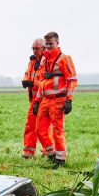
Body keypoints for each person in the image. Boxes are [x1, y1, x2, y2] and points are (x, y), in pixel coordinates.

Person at [31, 31, 77, 167]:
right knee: (39, 130)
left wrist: (69, 100)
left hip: (58, 101)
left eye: (51, 44)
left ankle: (60, 160)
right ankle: (51, 155)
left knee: (58, 131)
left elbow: (72, 80)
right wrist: (37, 101)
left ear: (57, 43)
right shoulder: (44, 60)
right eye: (46, 44)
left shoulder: (65, 59)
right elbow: (42, 82)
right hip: (45, 100)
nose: (48, 47)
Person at [21, 39, 48, 159]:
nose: (35, 51)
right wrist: (25, 81)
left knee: (44, 128)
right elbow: (27, 74)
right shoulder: (32, 62)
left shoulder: (48, 62)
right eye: (33, 48)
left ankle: (48, 152)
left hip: (45, 100)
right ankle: (28, 152)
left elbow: (46, 82)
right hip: (34, 100)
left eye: (37, 48)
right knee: (30, 126)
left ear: (44, 48)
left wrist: (32, 84)